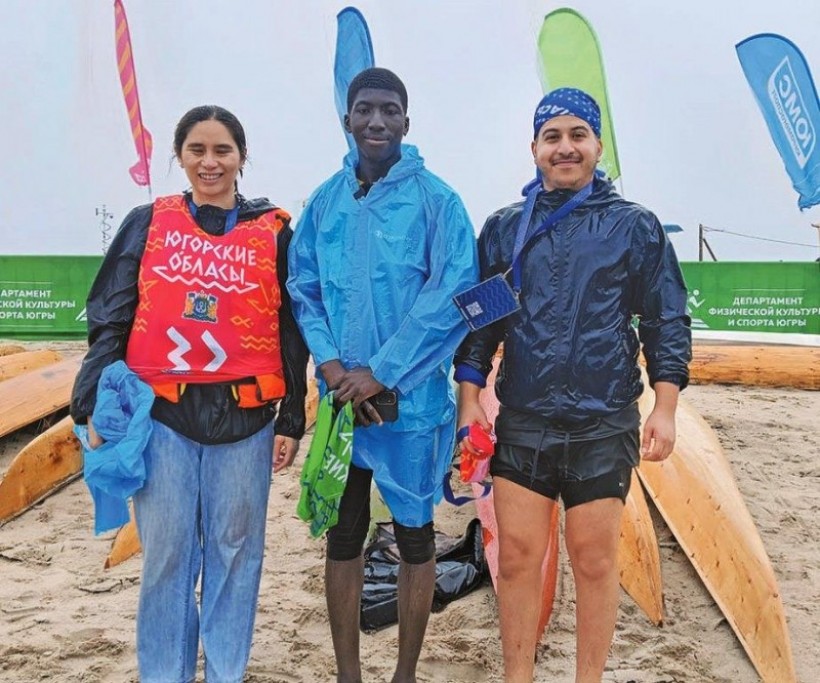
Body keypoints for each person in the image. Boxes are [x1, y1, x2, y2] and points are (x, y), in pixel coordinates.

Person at [454, 87, 691, 683]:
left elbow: (666, 319)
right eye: (552, 137)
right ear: (534, 148)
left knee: (594, 561)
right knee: (518, 560)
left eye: (577, 135)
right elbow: (481, 325)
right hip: (525, 419)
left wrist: (664, 408)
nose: (565, 148)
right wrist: (468, 403)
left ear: (598, 146)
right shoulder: (507, 228)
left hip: (603, 422)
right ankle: (518, 676)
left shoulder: (635, 226)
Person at [70, 105, 309, 683]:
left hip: (246, 419)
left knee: (236, 553)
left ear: (242, 158)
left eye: (222, 150)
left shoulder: (274, 231)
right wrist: (89, 401)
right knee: (168, 556)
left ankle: (226, 672)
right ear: (179, 155)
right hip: (165, 418)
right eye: (197, 149)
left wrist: (291, 418)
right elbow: (111, 315)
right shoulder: (148, 222)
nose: (210, 162)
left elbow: (292, 326)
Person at [287, 67, 478, 683]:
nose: (377, 121)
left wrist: (383, 372)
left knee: (415, 537)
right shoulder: (325, 202)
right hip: (343, 404)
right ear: (347, 119)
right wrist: (331, 364)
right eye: (365, 109)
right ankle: (348, 672)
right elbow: (303, 286)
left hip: (409, 407)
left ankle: (404, 674)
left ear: (406, 121)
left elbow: (451, 296)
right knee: (343, 537)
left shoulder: (438, 203)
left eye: (389, 110)